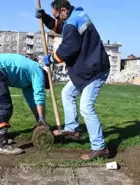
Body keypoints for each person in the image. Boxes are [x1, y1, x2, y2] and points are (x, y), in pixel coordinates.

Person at [36, 0, 110, 160]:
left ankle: (100, 148)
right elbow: (61, 27)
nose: (59, 19)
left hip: (95, 70)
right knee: (67, 93)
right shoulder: (77, 15)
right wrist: (46, 18)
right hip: (89, 67)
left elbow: (68, 48)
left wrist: (51, 59)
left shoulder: (71, 23)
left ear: (63, 10)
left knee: (86, 107)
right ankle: (72, 128)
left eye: (57, 15)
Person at [0, 53, 50, 155]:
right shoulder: (37, 70)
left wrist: (39, 120)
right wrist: (42, 118)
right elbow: (39, 95)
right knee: (4, 106)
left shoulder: (28, 80)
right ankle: (1, 144)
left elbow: (32, 101)